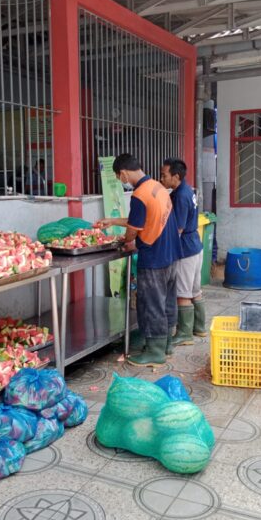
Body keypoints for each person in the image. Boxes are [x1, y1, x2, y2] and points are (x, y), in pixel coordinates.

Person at [94, 154, 180, 367]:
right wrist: (113, 220)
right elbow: (143, 219)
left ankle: (155, 352)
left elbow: (134, 229)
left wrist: (126, 240)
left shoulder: (139, 194)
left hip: (154, 256)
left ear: (122, 173)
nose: (121, 181)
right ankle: (166, 345)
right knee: (167, 301)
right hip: (171, 253)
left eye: (119, 177)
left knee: (151, 304)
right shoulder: (156, 187)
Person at [160, 158, 207, 351]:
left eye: (164, 175)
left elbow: (177, 229)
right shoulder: (188, 190)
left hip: (185, 249)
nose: (161, 178)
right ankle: (199, 328)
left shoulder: (180, 196)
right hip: (196, 245)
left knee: (183, 293)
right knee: (195, 290)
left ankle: (184, 333)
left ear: (175, 177)